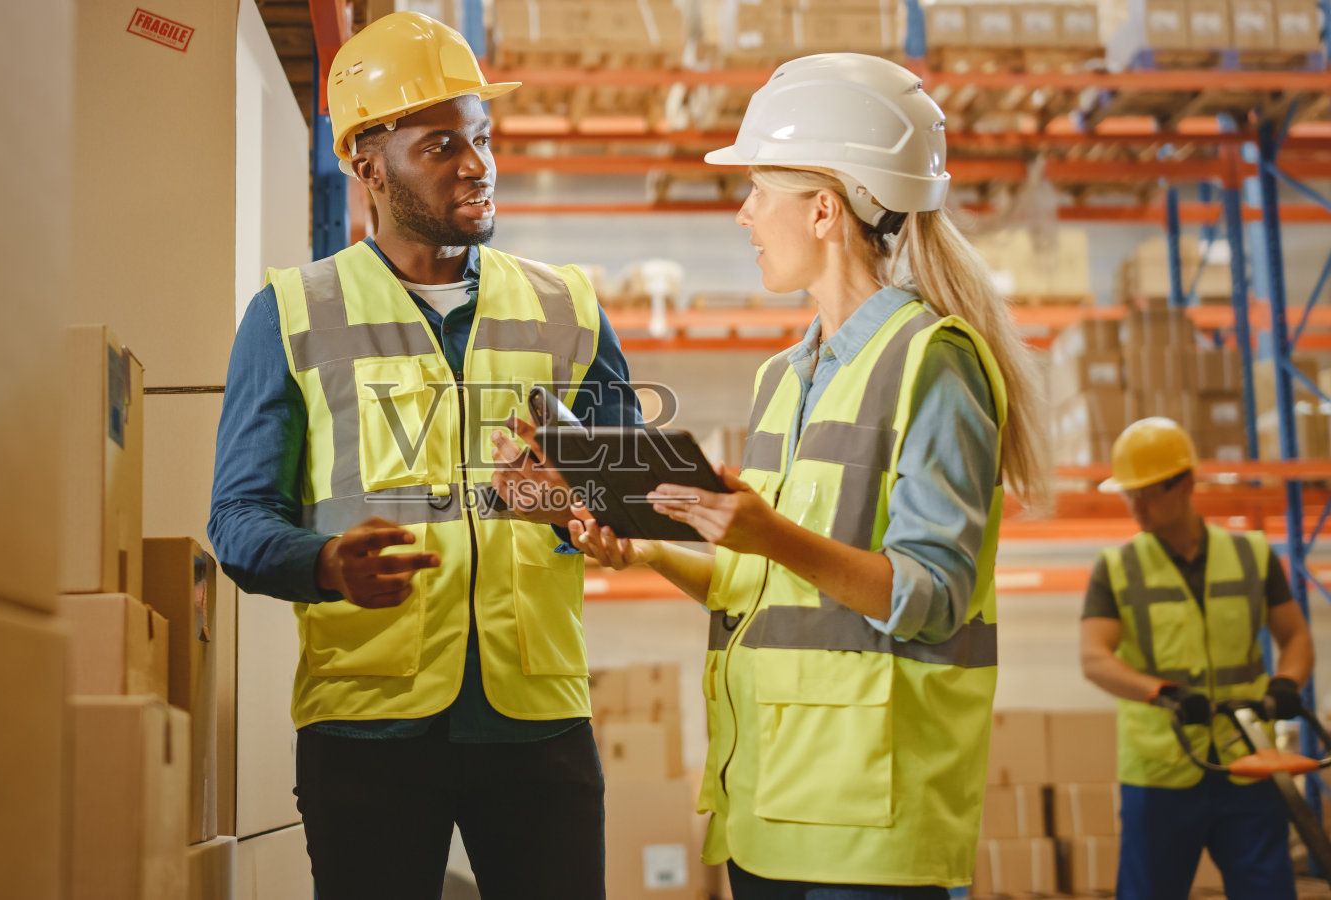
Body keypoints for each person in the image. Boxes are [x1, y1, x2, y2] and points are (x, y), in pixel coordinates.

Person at [539, 53, 1052, 895]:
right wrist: (644, 547)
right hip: (768, 803)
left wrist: (768, 531)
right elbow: (757, 587)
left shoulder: (934, 364)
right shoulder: (782, 378)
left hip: (871, 817)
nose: (743, 216)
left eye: (757, 192)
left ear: (822, 209)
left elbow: (930, 600)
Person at [207, 12, 638, 900]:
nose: (477, 164)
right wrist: (326, 563)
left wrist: (580, 500)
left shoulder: (568, 307)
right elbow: (238, 522)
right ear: (365, 163)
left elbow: (640, 491)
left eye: (480, 138)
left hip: (539, 722)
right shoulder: (292, 313)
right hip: (367, 731)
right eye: (442, 144)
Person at [1080, 417, 1314, 900]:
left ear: (1186, 483)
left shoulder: (1252, 555)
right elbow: (1094, 658)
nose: (1135, 505)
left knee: (1267, 891)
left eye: (1147, 491)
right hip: (1161, 770)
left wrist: (1287, 682)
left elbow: (1295, 636)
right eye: (1129, 493)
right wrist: (1162, 693)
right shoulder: (1116, 568)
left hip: (1246, 757)